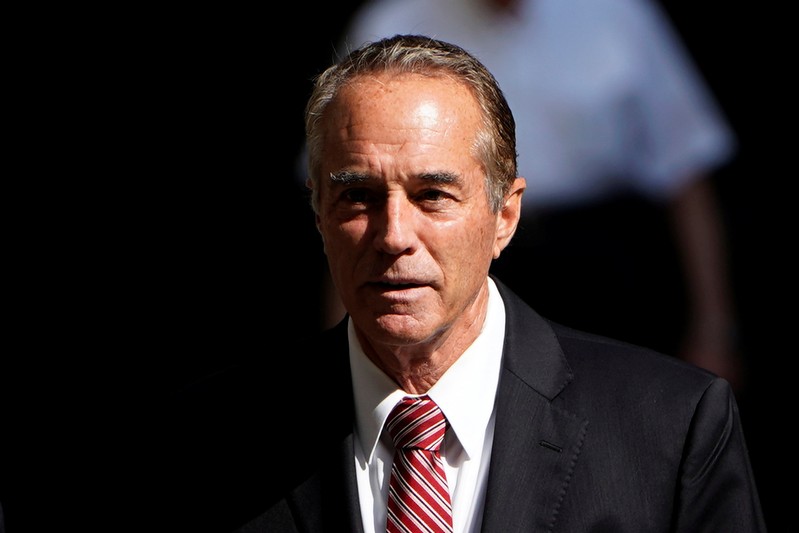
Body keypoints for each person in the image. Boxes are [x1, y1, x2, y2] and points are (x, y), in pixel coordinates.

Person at [164, 34, 765, 532]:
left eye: (432, 195)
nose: (394, 233)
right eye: (357, 197)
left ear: (504, 217)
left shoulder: (669, 430)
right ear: (318, 214)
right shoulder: (209, 439)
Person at [314, 0, 744, 392]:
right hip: (466, 260)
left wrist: (713, 326)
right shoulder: (393, 22)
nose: (393, 235)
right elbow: (349, 197)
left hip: (605, 270)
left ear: (508, 213)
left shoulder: (617, 15)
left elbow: (687, 173)